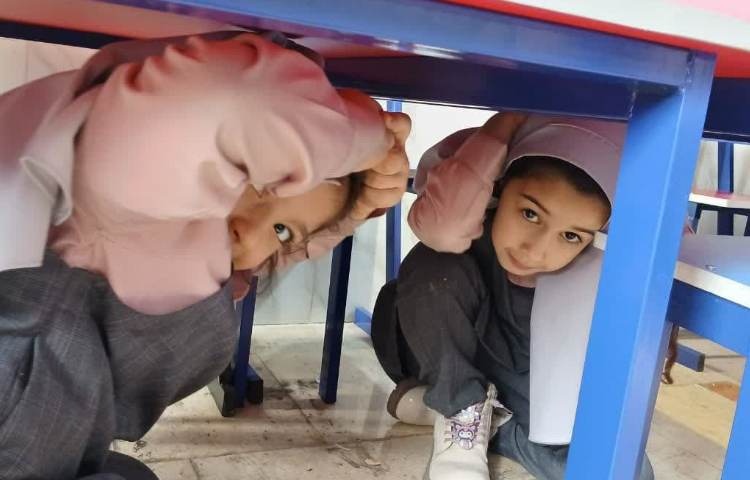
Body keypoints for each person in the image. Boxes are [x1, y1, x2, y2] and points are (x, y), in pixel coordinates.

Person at [0, 31, 410, 479]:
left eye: (279, 230)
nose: (248, 230)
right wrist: (368, 135)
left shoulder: (195, 256)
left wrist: (358, 206)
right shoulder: (127, 183)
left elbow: (274, 246)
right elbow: (235, 99)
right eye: (258, 183)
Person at [371, 113, 655, 479]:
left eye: (571, 236)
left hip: (516, 372)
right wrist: (507, 123)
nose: (535, 251)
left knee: (622, 468)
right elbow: (442, 227)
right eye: (530, 214)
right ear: (500, 187)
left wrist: (660, 324)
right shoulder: (467, 231)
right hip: (436, 356)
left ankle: (490, 423)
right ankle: (461, 411)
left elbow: (666, 233)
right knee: (434, 263)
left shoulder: (583, 275)